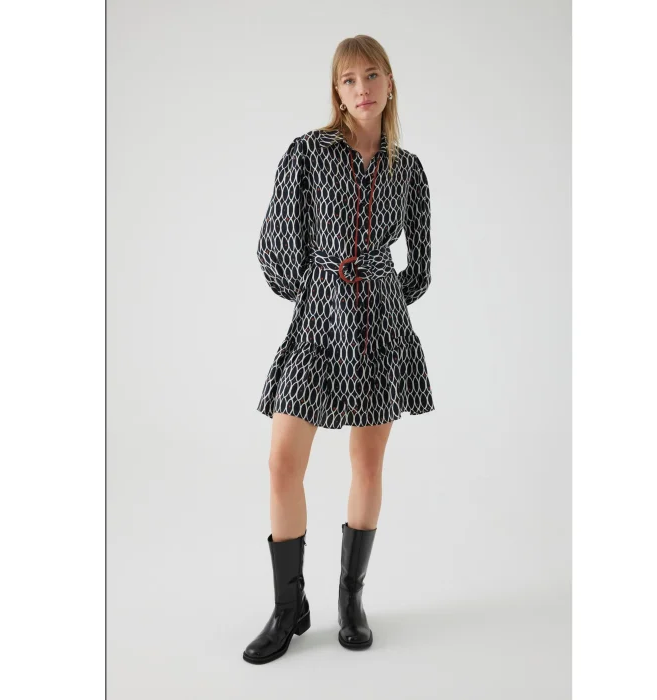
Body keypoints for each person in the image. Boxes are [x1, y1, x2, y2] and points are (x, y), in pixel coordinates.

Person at [242, 35, 434, 664]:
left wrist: (380, 293)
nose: (362, 89)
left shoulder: (409, 170)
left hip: (379, 327)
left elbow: (420, 268)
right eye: (349, 80)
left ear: (389, 84)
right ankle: (288, 607)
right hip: (318, 322)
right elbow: (275, 247)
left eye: (372, 76)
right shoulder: (307, 154)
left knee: (367, 464)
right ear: (337, 92)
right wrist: (321, 289)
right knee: (282, 462)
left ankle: (351, 599)